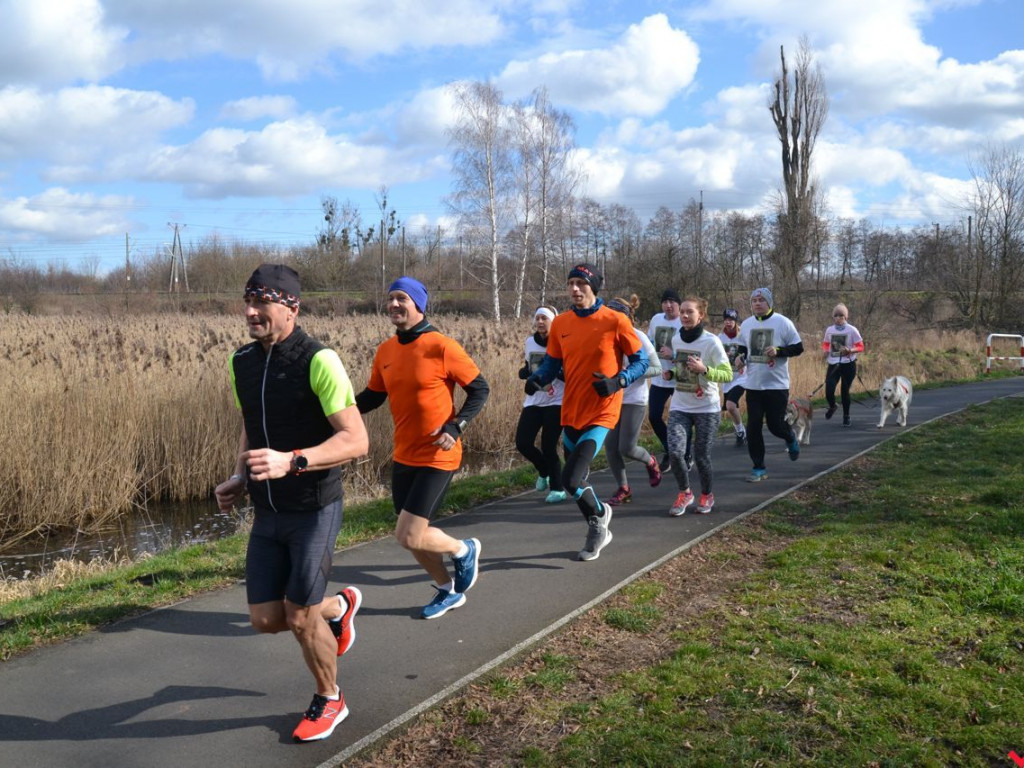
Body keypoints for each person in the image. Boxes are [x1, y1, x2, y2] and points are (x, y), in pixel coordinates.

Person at [214, 264, 370, 743]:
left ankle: (330, 698)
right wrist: (241, 473)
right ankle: (338, 610)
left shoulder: (319, 360)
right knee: (265, 618)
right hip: (268, 510)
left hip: (313, 506)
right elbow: (252, 422)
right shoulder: (241, 360)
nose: (250, 312)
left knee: (299, 615)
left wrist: (293, 461)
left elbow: (356, 439)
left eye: (261, 302)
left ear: (290, 306)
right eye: (247, 302)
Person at [355, 276, 489, 620]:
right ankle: (447, 590)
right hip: (404, 454)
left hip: (438, 454)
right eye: (390, 299)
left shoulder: (441, 345)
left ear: (418, 304)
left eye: (402, 298)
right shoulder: (385, 350)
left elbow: (480, 389)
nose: (394, 305)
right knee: (411, 537)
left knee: (409, 534)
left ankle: (464, 549)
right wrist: (337, 411)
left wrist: (456, 426)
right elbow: (374, 395)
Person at [525, 263, 648, 561]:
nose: (575, 289)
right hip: (571, 411)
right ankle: (598, 521)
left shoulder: (615, 321)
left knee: (570, 479)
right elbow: (554, 363)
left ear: (594, 287)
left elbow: (641, 361)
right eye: (571, 283)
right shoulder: (562, 324)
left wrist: (619, 381)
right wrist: (538, 378)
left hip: (602, 412)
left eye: (581, 283)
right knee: (576, 482)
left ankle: (598, 520)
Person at [662, 297, 732, 515]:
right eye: (682, 312)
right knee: (674, 453)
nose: (684, 316)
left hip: (707, 408)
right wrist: (672, 373)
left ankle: (707, 495)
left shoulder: (711, 342)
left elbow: (728, 374)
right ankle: (685, 493)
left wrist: (705, 369)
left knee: (701, 456)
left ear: (700, 315)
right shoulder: (676, 339)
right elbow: (683, 369)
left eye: (689, 312)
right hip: (680, 404)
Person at [737, 287, 804, 482]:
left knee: (775, 426)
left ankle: (790, 437)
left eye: (761, 300)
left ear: (769, 303)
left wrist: (779, 350)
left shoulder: (783, 322)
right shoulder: (747, 324)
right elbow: (742, 348)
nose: (757, 303)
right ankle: (758, 467)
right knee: (753, 426)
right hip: (754, 385)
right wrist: (740, 358)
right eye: (754, 300)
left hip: (777, 385)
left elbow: (798, 347)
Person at [604, 295, 662, 505]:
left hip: (634, 399)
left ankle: (650, 460)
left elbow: (656, 368)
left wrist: (627, 374)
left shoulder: (638, 337)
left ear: (626, 318)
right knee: (610, 447)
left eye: (615, 315)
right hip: (612, 399)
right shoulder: (603, 337)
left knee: (626, 448)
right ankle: (624, 488)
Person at [515, 306, 568, 504]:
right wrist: (525, 372)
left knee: (548, 444)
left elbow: (569, 371)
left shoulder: (561, 342)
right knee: (522, 442)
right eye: (537, 318)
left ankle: (558, 488)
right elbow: (529, 365)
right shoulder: (530, 342)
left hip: (556, 399)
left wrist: (555, 372)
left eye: (544, 318)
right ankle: (543, 469)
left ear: (553, 322)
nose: (539, 322)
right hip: (535, 400)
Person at [647, 289, 682, 470]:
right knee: (653, 416)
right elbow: (649, 341)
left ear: (679, 304)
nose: (668, 306)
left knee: (679, 420)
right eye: (665, 302)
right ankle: (670, 450)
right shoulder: (655, 320)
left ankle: (686, 454)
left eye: (672, 302)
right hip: (660, 378)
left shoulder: (683, 321)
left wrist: (674, 354)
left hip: (679, 378)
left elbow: (691, 350)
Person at [821, 303, 864, 427]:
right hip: (833, 364)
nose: (838, 318)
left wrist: (850, 350)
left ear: (846, 317)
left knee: (844, 391)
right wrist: (825, 351)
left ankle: (846, 416)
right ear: (833, 317)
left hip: (848, 364)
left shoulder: (852, 329)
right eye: (836, 315)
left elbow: (861, 346)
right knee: (829, 390)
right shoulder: (830, 330)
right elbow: (826, 343)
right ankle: (833, 405)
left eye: (841, 315)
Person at [718, 308, 748, 446]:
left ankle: (741, 431)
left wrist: (744, 361)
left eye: (731, 320)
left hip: (742, 377)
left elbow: (750, 353)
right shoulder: (719, 338)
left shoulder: (743, 336)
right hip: (727, 378)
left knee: (730, 405)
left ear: (736, 321)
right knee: (731, 406)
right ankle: (740, 431)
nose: (728, 323)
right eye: (726, 320)